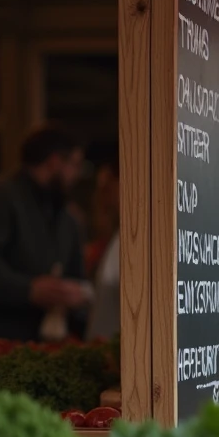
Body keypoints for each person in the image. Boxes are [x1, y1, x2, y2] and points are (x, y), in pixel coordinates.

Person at [0, 124, 91, 346]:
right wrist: (30, 290)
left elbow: (75, 274)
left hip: (40, 349)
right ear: (54, 161)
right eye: (75, 165)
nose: (77, 175)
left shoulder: (65, 216)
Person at [86, 145, 121, 341]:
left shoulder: (137, 238)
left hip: (122, 352)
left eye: (108, 188)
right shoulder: (117, 236)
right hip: (108, 347)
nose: (104, 197)